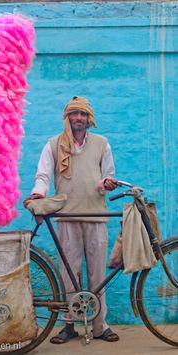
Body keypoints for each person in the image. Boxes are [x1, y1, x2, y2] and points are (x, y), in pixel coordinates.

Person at [24, 96, 119, 344]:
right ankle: (68, 325)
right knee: (70, 272)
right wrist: (38, 192)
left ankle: (100, 325)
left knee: (98, 273)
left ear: (90, 119)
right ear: (67, 117)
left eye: (83, 114)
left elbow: (107, 175)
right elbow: (43, 175)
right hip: (67, 216)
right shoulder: (54, 144)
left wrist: (107, 184)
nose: (79, 118)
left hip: (96, 215)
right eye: (74, 114)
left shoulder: (102, 144)